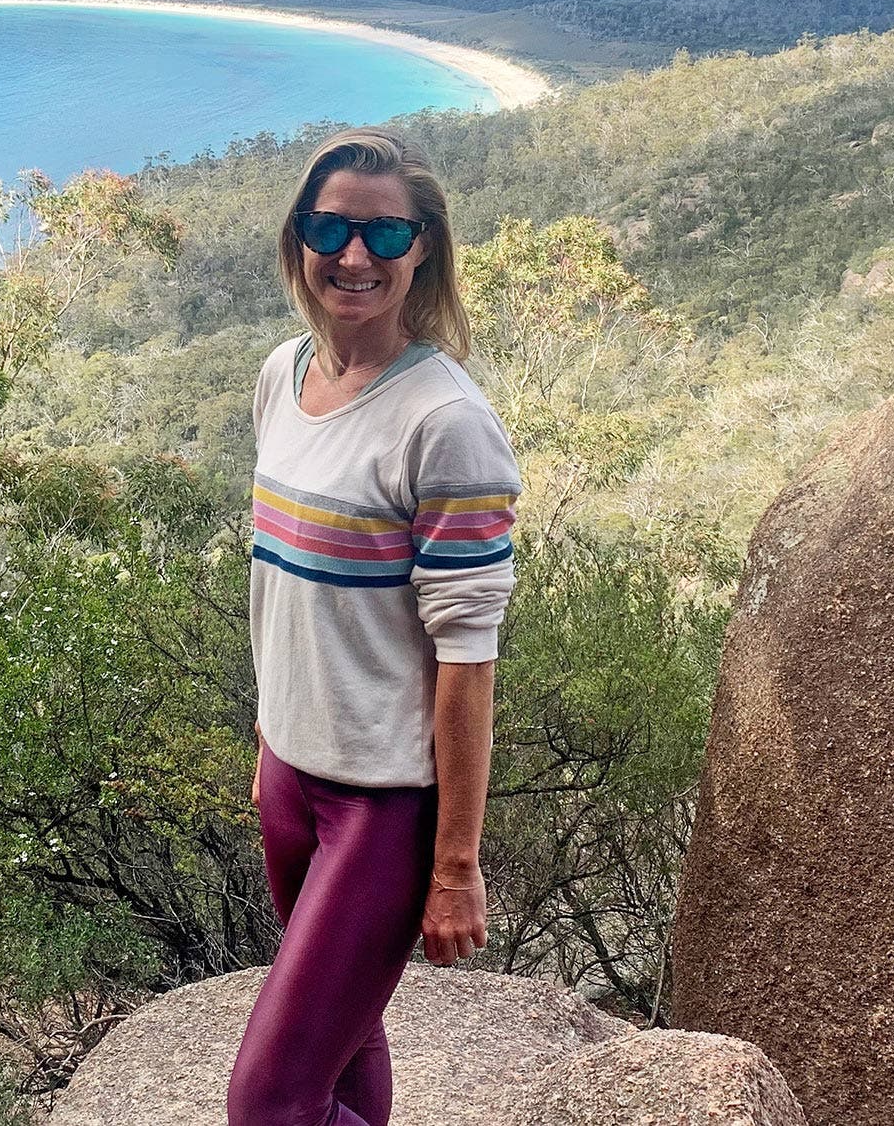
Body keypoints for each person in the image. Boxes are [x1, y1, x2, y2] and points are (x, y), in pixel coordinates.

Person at [226, 128, 522, 1126]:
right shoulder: (282, 376)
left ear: (423, 247)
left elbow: (467, 656)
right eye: (331, 228)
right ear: (298, 238)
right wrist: (271, 742)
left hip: (381, 806)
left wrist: (456, 866)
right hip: (289, 776)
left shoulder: (445, 422)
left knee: (268, 1106)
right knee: (344, 1045)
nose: (355, 254)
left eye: (386, 232)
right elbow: (292, 600)